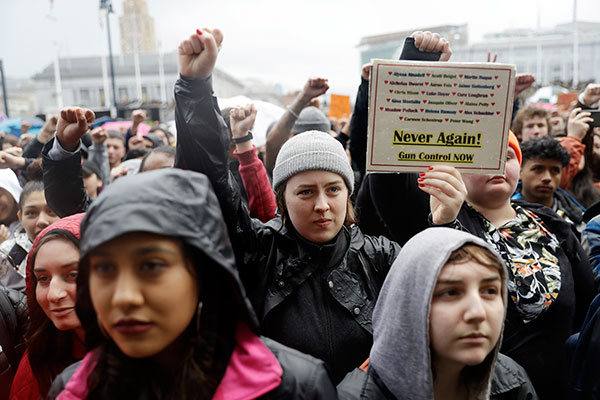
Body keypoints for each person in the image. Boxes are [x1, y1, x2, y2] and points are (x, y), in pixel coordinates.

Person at [174, 27, 401, 383]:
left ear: (348, 192)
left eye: (333, 190)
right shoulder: (258, 251)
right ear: (281, 198)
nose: (323, 205)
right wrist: (194, 88)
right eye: (306, 193)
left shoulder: (382, 256)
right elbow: (213, 181)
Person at [47, 168, 336, 399]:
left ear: (203, 273)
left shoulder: (294, 387)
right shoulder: (72, 390)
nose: (124, 297)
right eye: (105, 269)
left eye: (150, 266)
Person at [417, 132, 595, 399]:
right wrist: (443, 225)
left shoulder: (553, 225)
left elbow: (588, 304)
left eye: (508, 156)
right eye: (484, 157)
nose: (498, 165)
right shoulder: (444, 222)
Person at [337, 227, 538, 400]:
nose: (478, 313)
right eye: (451, 292)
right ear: (409, 305)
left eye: (490, 291)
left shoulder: (511, 381)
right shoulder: (353, 396)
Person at [9, 213, 85, 400]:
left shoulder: (156, 351)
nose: (54, 294)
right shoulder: (38, 358)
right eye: (43, 279)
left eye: (73, 275)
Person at [512, 136, 585, 234]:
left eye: (555, 170)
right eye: (538, 169)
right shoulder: (501, 213)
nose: (547, 178)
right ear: (520, 172)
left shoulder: (577, 219)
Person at [0, 180, 59, 281]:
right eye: (31, 213)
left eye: (51, 211)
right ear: (20, 218)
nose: (42, 221)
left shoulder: (81, 250)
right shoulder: (6, 256)